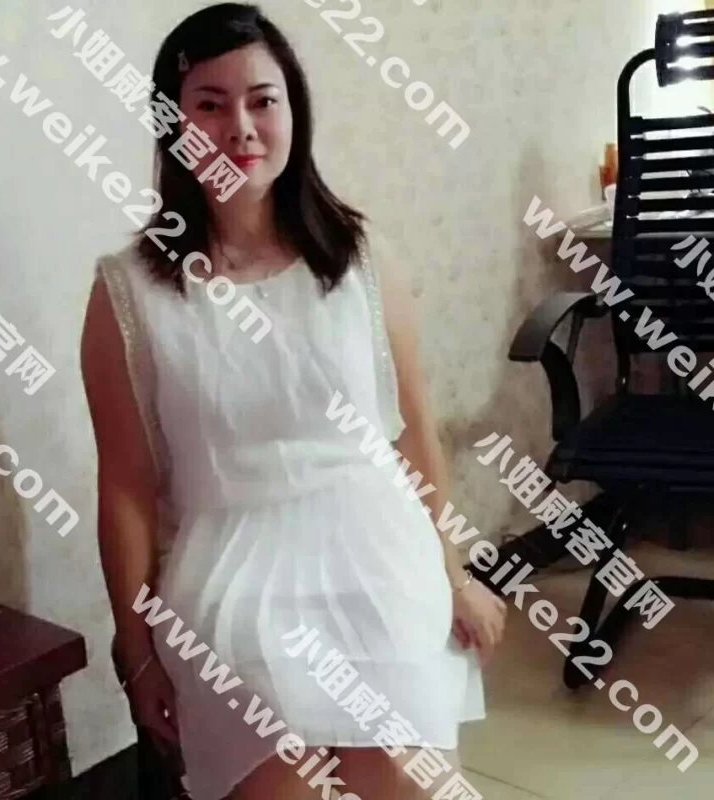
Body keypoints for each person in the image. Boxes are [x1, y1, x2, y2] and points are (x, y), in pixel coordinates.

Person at [80, 4, 507, 799]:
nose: (240, 127)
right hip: (231, 574)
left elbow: (414, 434)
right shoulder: (129, 292)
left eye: (262, 100)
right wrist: (134, 649)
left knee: (403, 781)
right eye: (210, 104)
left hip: (378, 555)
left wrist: (454, 575)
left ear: (293, 111)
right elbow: (127, 488)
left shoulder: (360, 258)